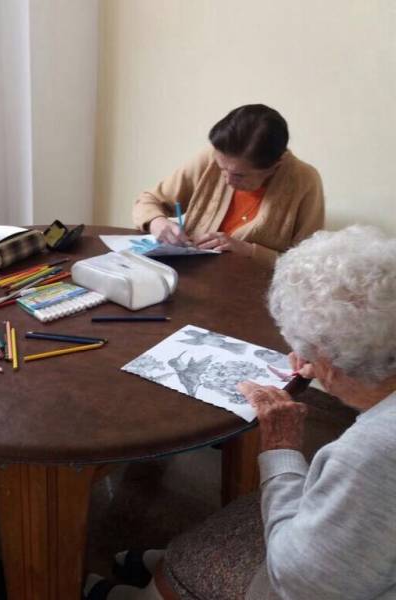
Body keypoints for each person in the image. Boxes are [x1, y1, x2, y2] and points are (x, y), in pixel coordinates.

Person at [84, 225, 396, 600]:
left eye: (308, 352)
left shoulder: (373, 452)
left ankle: (160, 583)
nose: (302, 360)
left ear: (328, 361)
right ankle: (171, 562)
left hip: (297, 583)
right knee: (207, 538)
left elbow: (300, 584)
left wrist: (281, 446)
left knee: (197, 554)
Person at [132, 104, 324, 265]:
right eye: (221, 167)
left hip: (254, 294)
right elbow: (148, 200)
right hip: (191, 279)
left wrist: (250, 251)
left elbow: (310, 264)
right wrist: (157, 222)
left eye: (239, 175)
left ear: (275, 166)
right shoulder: (211, 158)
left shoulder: (304, 180)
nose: (226, 179)